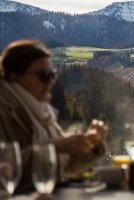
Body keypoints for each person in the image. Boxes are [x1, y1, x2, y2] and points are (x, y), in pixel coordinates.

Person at [0, 40, 107, 193]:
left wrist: (92, 143)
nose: (50, 81)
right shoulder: (4, 109)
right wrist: (54, 147)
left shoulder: (42, 110)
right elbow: (5, 168)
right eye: (43, 75)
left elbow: (65, 165)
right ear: (15, 75)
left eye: (52, 75)